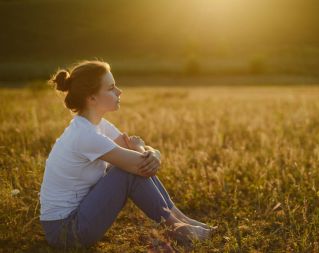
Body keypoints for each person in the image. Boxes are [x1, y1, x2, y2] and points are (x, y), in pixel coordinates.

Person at [39, 60, 213, 249]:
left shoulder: (97, 125)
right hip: (66, 232)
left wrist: (153, 153)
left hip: (76, 220)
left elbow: (135, 153)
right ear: (92, 98)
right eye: (111, 88)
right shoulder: (86, 135)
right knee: (125, 172)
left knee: (130, 168)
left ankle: (184, 221)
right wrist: (146, 153)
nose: (119, 91)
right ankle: (179, 227)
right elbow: (136, 163)